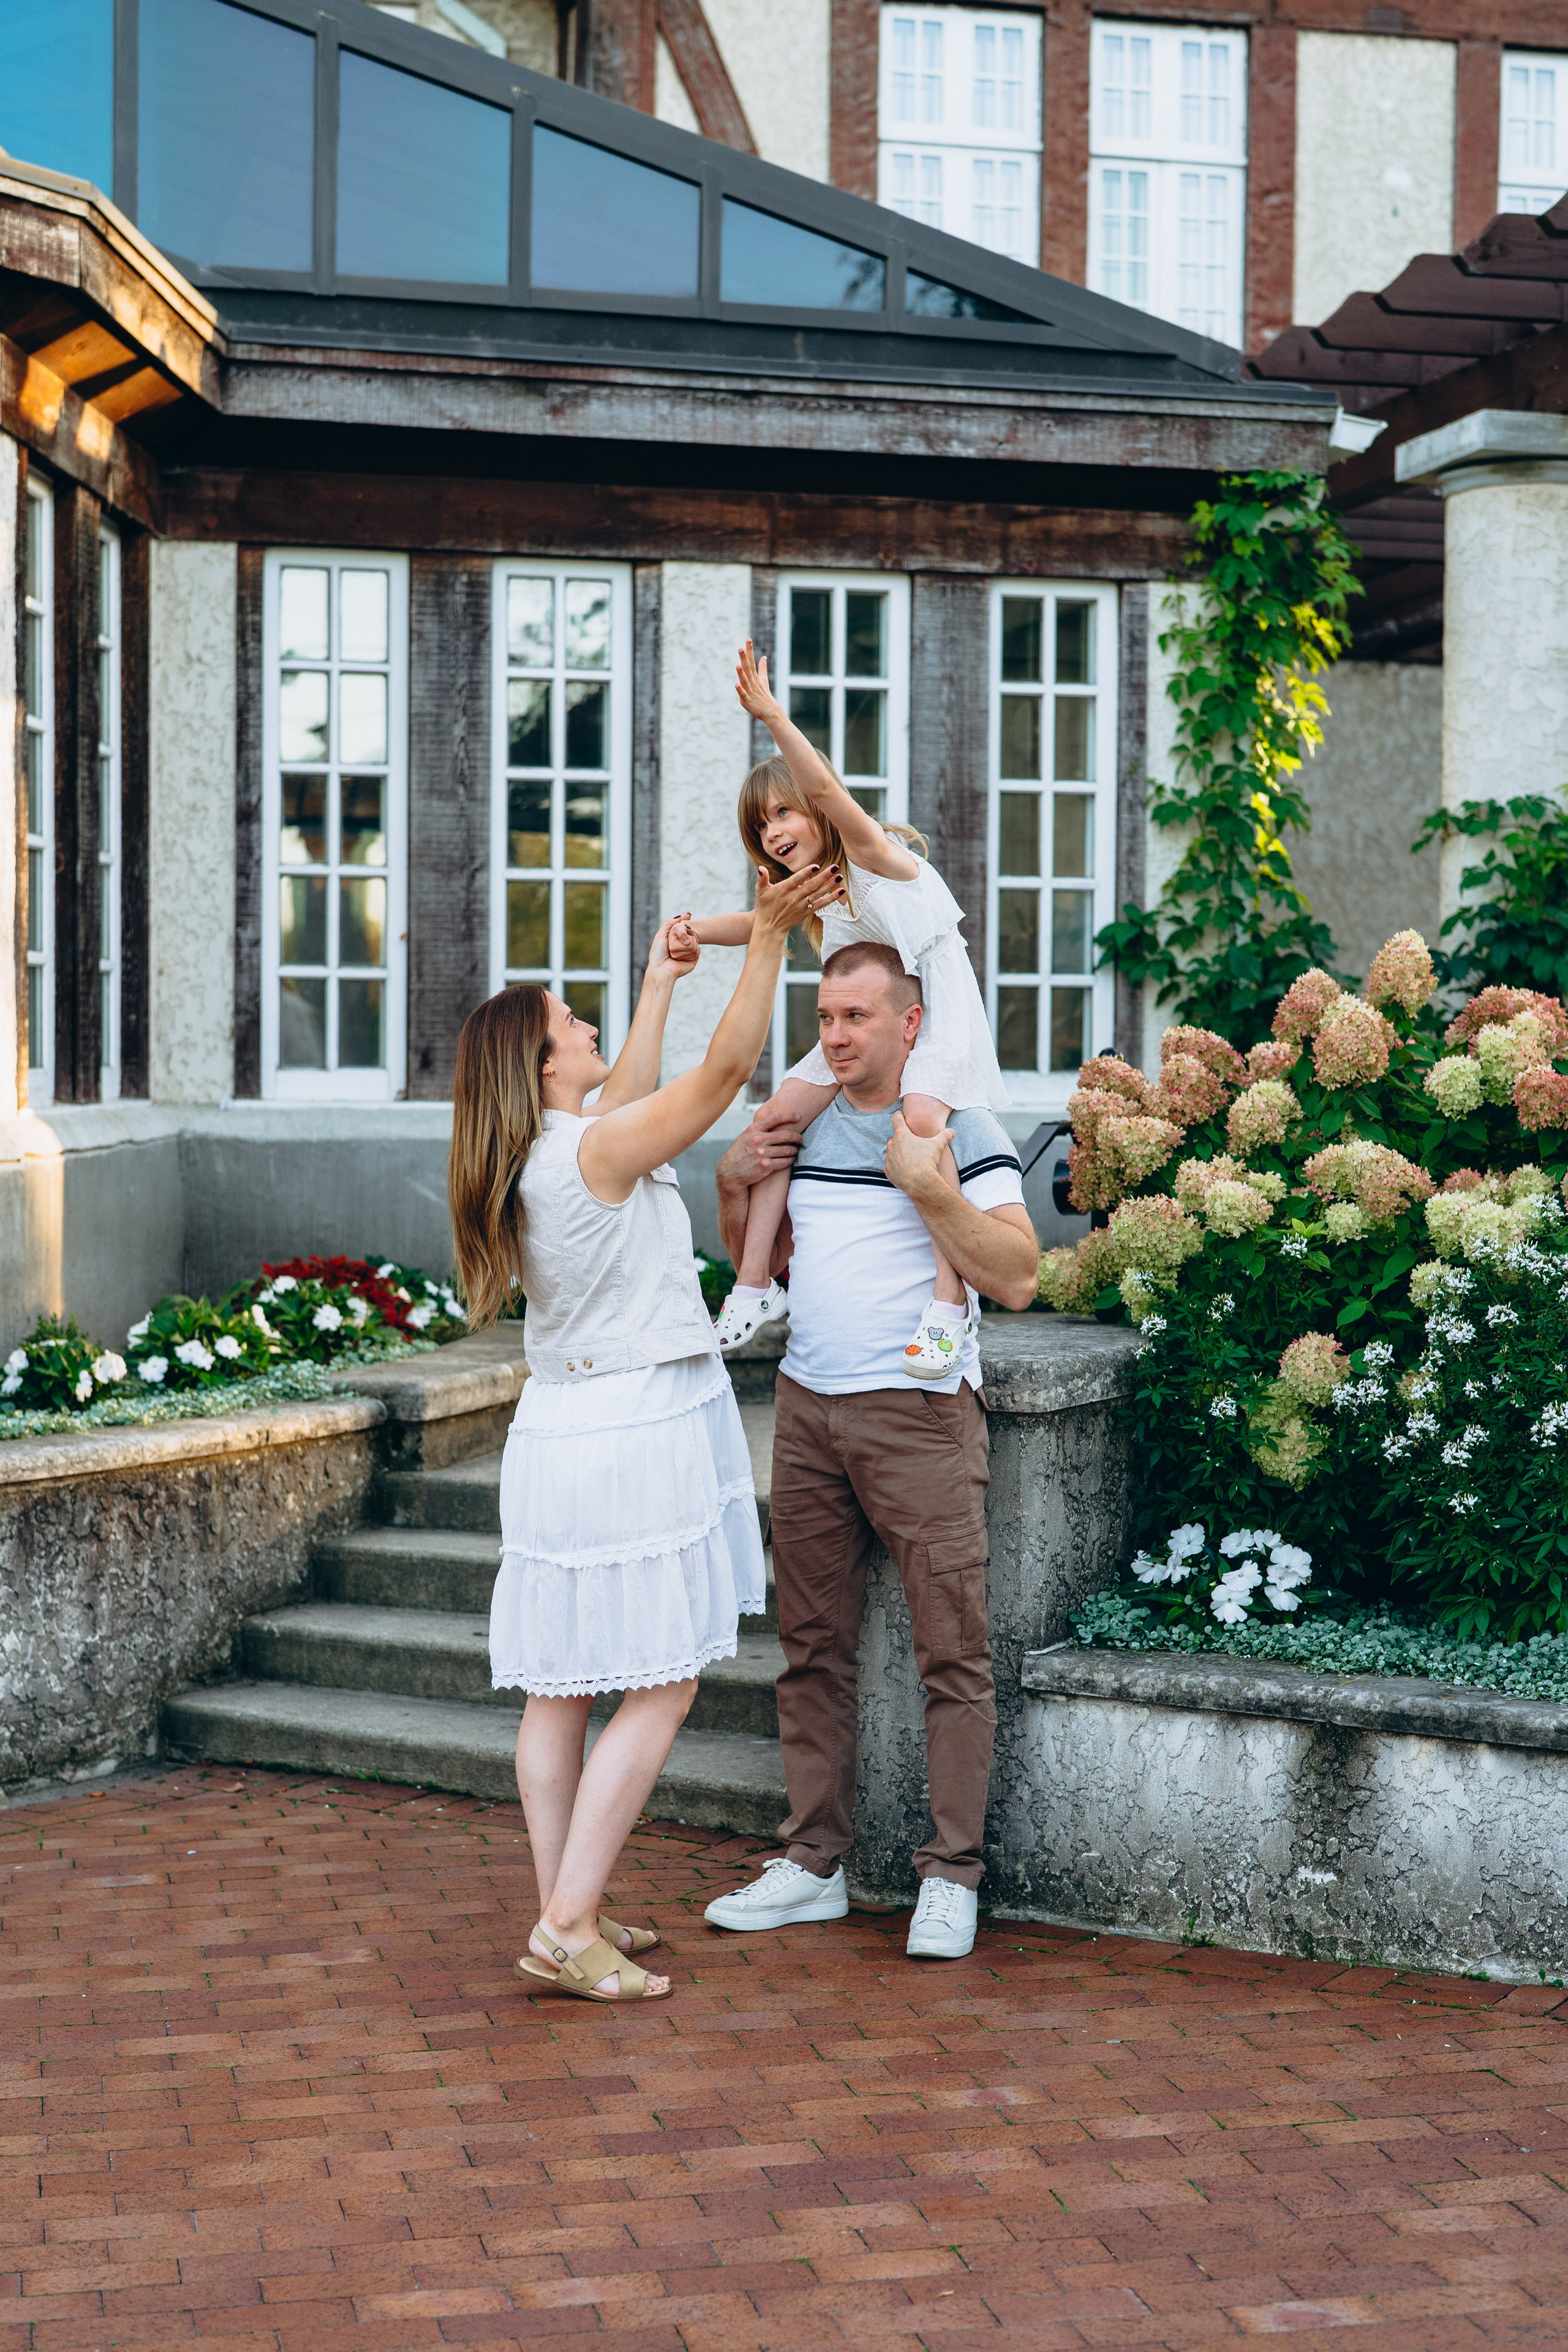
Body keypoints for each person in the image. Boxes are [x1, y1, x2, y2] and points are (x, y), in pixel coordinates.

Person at [448, 864, 824, 2005]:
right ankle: (567, 1924)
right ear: (541, 1062)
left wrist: (663, 983)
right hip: (632, 1424)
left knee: (561, 1691)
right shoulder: (590, 1156)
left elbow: (638, 1096)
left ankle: (572, 1899)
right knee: (661, 1681)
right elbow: (717, 1080)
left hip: (564, 1432)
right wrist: (764, 937)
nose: (585, 1020)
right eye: (569, 1020)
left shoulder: (546, 1157)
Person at [701, 941, 1038, 1960]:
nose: (837, 1037)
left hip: (920, 1416)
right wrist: (729, 1185)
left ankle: (952, 1876)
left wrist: (929, 1187)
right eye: (826, 1018)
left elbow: (1020, 1273)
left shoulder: (959, 1124)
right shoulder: (804, 1123)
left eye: (857, 1017)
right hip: (809, 1408)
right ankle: (812, 1867)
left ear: (911, 1024)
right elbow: (765, 1261)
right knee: (810, 1651)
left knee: (953, 1654)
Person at [688, 641, 1010, 1381]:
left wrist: (772, 716)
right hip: (867, 1024)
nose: (772, 833)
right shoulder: (820, 895)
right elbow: (754, 922)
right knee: (775, 1121)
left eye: (780, 814)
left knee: (924, 1129)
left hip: (934, 1012)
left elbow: (832, 794)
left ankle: (947, 1304)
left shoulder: (879, 859)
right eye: (759, 828)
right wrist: (692, 930)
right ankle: (755, 1286)